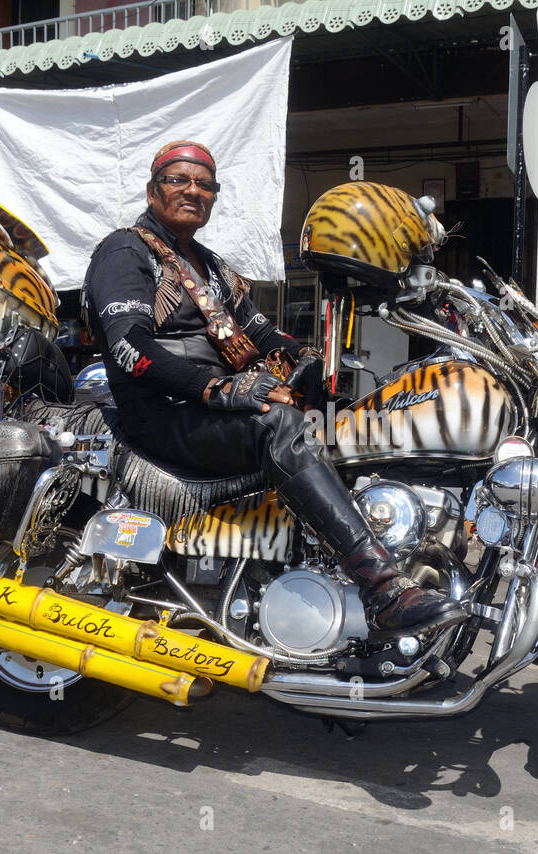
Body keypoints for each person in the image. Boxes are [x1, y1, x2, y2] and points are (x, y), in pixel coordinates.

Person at [81, 139, 465, 641]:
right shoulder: (125, 250)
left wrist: (304, 359)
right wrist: (220, 388)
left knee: (347, 421)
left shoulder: (208, 265)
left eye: (204, 184)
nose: (192, 191)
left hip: (206, 413)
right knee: (278, 425)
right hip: (163, 414)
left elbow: (262, 334)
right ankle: (383, 588)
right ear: (153, 191)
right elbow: (129, 346)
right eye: (179, 180)